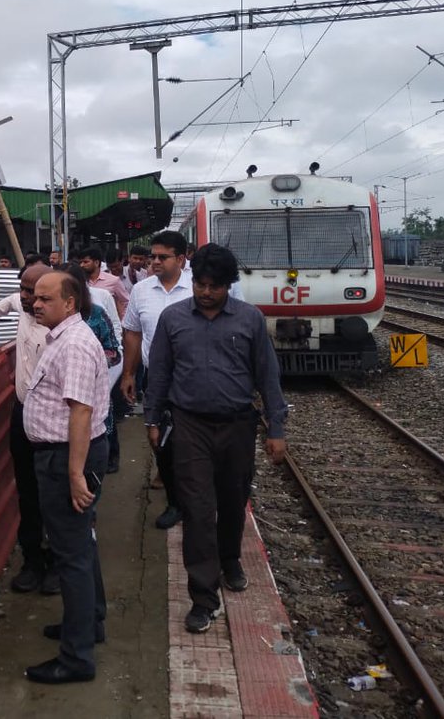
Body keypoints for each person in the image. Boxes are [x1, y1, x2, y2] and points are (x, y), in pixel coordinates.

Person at [143, 244, 287, 635]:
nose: (206, 292)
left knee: (232, 499)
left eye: (215, 286)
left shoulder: (250, 320)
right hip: (190, 426)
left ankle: (230, 559)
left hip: (238, 426)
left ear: (229, 285)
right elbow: (158, 374)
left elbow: (267, 376)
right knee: (198, 511)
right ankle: (203, 598)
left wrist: (276, 428)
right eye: (201, 284)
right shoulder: (173, 320)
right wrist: (152, 420)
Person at [22, 270, 110, 684]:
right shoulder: (64, 336)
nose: (36, 304)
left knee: (71, 555)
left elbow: (81, 411)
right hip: (66, 456)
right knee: (82, 545)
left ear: (70, 304)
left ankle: (77, 659)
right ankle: (88, 624)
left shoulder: (73, 344)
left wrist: (75, 473)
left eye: (45, 299)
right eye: (35, 298)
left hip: (66, 459)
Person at [0, 263, 56, 594]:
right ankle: (33, 561)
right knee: (27, 490)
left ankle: (58, 564)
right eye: (23, 289)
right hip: (23, 415)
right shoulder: (23, 306)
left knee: (55, 495)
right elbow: (1, 305)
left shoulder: (62, 330)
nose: (25, 298)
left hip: (55, 423)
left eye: (33, 293)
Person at [119, 231, 191, 530]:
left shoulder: (196, 288)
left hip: (193, 380)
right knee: (160, 441)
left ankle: (196, 499)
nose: (155, 262)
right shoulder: (142, 290)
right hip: (157, 381)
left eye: (163, 257)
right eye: (153, 256)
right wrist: (129, 373)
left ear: (181, 259)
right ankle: (176, 502)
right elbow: (133, 332)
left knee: (193, 442)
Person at [65, 264, 121, 475]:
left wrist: (92, 365)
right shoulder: (53, 315)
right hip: (64, 394)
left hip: (95, 386)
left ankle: (109, 457)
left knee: (101, 424)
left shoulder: (96, 314)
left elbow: (113, 351)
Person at [78, 246, 129, 321]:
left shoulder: (114, 281)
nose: (81, 265)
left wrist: (123, 322)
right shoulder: (80, 281)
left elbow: (126, 302)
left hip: (108, 327)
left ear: (96, 263)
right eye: (80, 262)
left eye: (85, 262)